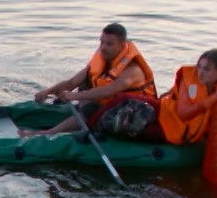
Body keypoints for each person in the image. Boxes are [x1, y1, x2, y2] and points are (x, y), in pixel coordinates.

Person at [22, 22, 160, 139]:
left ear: (122, 46)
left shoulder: (133, 70)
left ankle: (48, 133)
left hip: (136, 113)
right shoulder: (102, 61)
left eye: (109, 44)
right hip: (108, 104)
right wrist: (48, 91)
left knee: (89, 109)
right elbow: (71, 83)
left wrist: (74, 96)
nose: (103, 47)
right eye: (101, 42)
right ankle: (64, 120)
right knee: (86, 89)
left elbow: (107, 91)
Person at [153, 48, 217, 144]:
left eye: (207, 69)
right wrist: (213, 98)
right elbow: (183, 114)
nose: (200, 73)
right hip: (161, 115)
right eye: (199, 67)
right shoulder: (191, 83)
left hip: (172, 128)